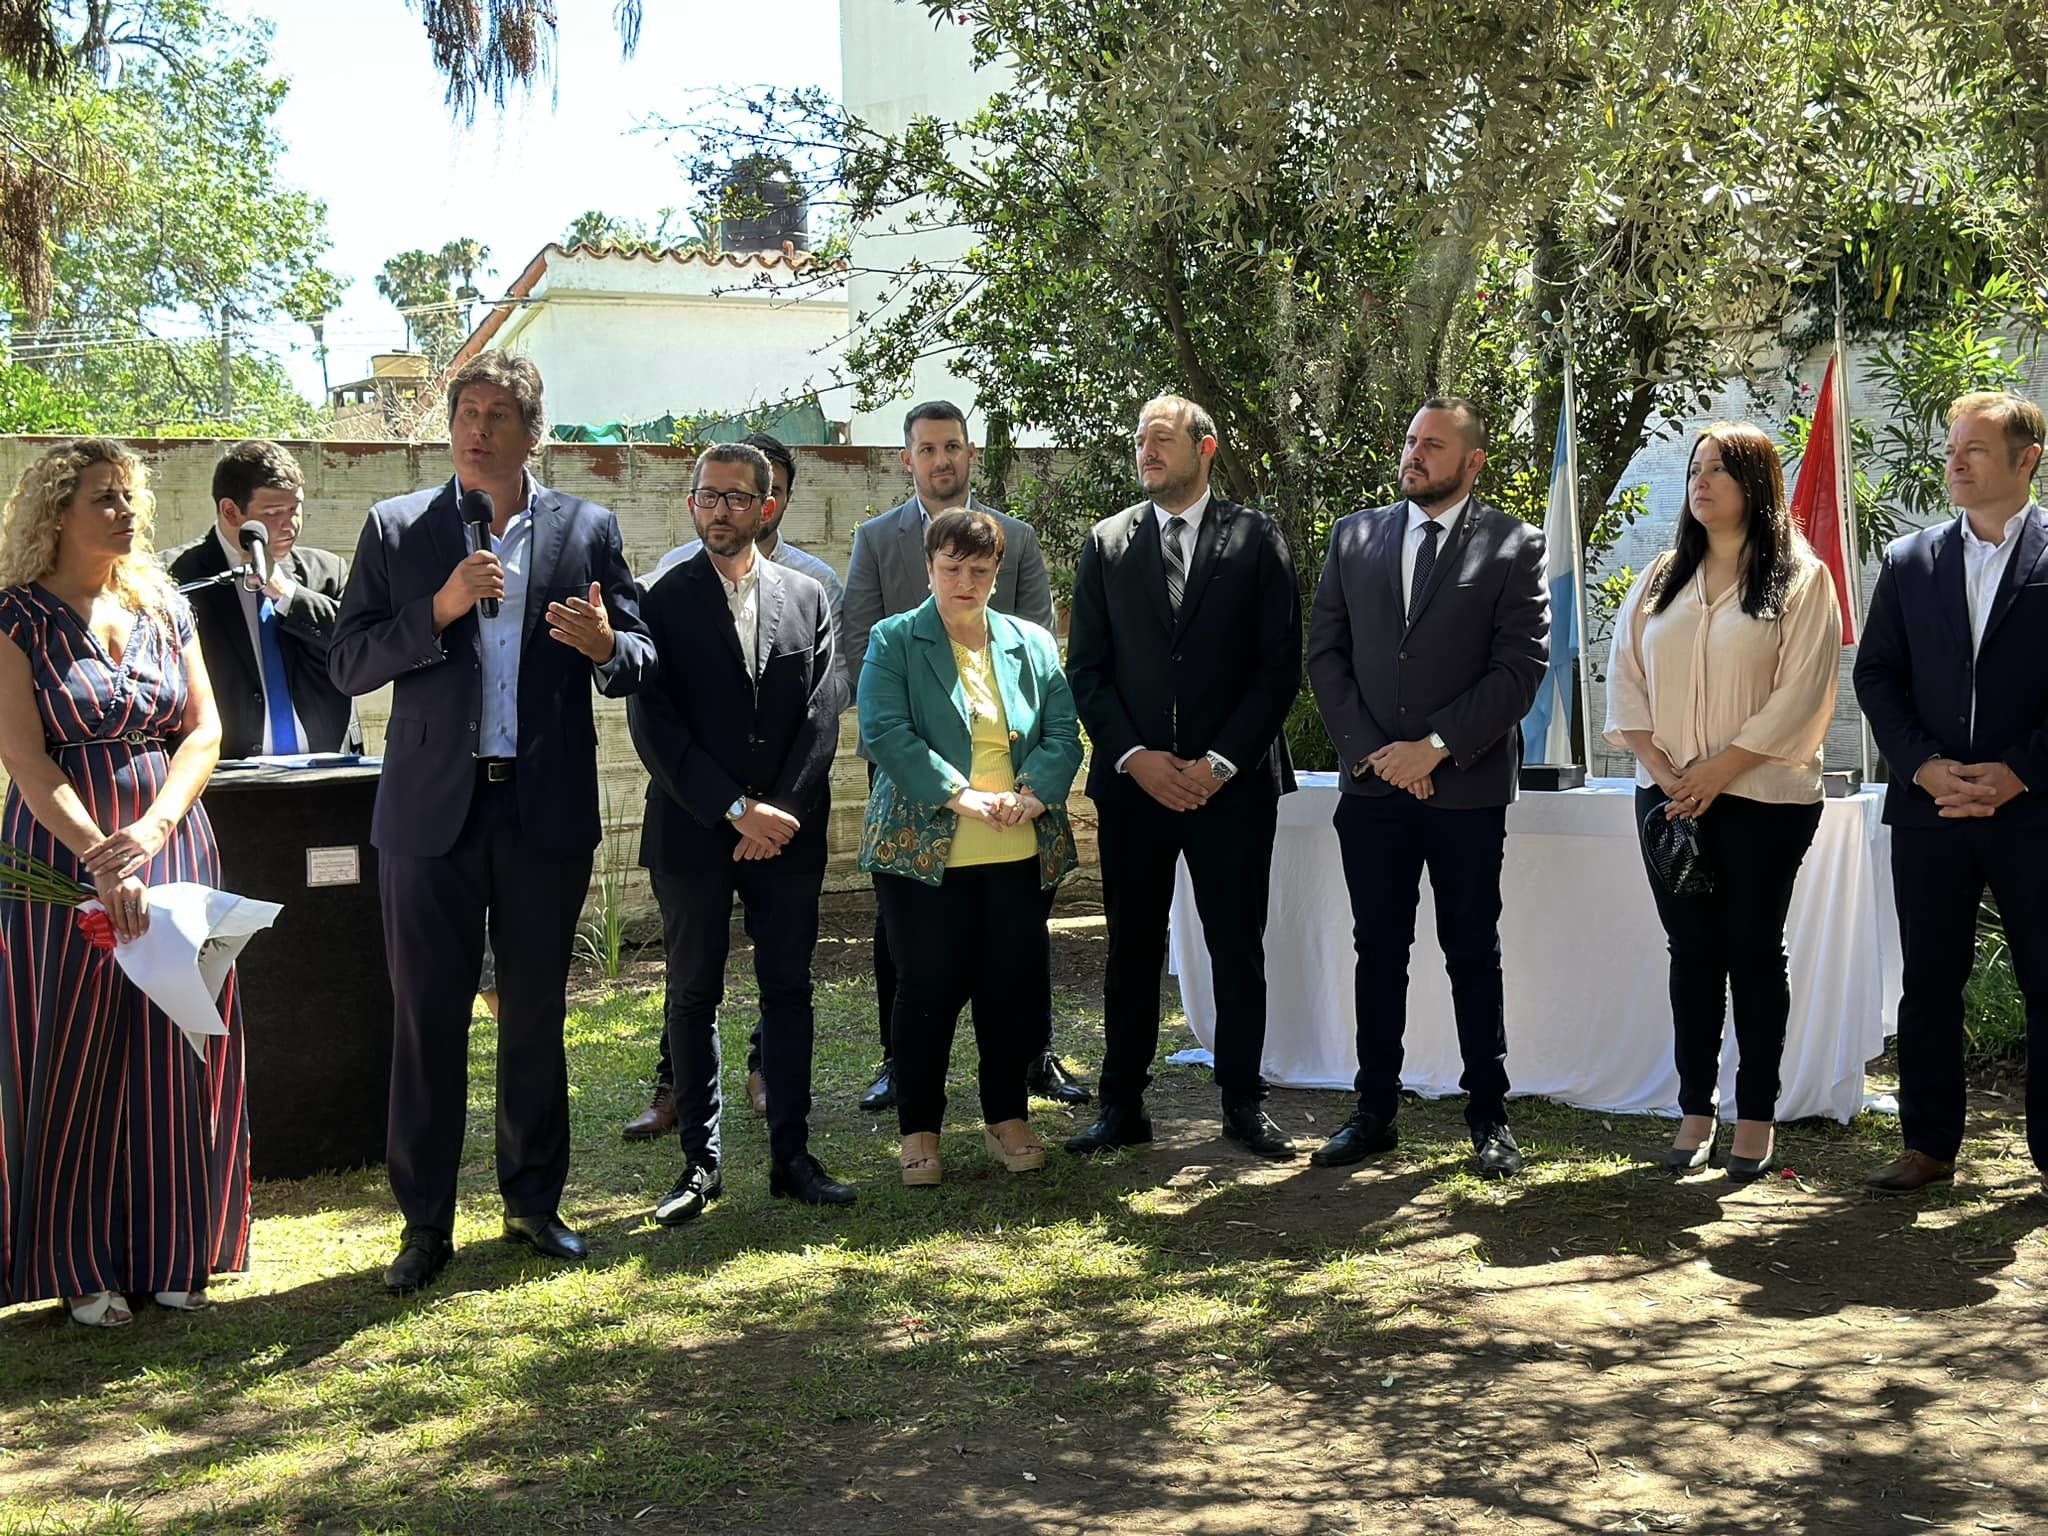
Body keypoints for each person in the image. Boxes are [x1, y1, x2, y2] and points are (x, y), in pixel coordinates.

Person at [330, 353, 654, 1294]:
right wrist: (437, 607)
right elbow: (348, 662)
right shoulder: (399, 529)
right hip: (431, 812)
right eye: (465, 412)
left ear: (532, 431)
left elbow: (639, 652)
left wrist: (606, 649)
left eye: (498, 413)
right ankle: (425, 1223)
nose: (476, 428)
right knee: (427, 1019)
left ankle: (532, 1202)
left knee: (535, 1016)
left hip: (541, 808)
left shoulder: (586, 528)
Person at [0, 439, 249, 1326]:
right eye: (104, 498)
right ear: (56, 513)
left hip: (172, 843)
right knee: (74, 1049)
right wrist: (102, 851)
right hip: (56, 863)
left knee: (179, 1042)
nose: (126, 513)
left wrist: (149, 832)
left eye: (130, 498)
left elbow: (204, 731)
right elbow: (26, 760)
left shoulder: (166, 606)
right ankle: (81, 1261)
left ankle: (178, 1248)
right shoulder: (17, 619)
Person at [1304, 397, 1546, 1179]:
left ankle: (1489, 1120)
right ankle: (1374, 1112)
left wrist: (1435, 748)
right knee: (1378, 952)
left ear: (1472, 462)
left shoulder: (1514, 544)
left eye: (1434, 446)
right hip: (1374, 794)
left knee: (1472, 952)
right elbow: (1327, 657)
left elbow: (1520, 670)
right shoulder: (1354, 536)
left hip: (1466, 794)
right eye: (1411, 440)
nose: (1415, 455)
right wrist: (1378, 754)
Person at [1064, 395, 1301, 1160]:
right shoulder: (1106, 544)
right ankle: (1121, 1105)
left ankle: (1243, 1102)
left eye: (1161, 439)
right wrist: (1138, 759)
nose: (1146, 451)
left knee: (1237, 945)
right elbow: (1089, 672)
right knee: (1130, 949)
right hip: (1136, 789)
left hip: (1231, 789)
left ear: (1206, 447)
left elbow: (1277, 669)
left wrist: (1218, 764)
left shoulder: (1256, 538)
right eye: (1139, 440)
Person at [1605, 423, 1840, 1179]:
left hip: (1763, 799)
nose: (1700, 483)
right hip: (1667, 798)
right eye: (1695, 471)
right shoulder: (1660, 579)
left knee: (1752, 951)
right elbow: (1625, 677)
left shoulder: (1802, 580)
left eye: (1718, 471)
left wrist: (1718, 771)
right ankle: (1695, 1109)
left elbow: (1801, 694)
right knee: (1693, 954)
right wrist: (1660, 765)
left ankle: (1757, 1117)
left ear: (1756, 483)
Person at [627, 443, 853, 1223]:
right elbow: (654, 726)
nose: (719, 509)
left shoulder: (809, 594)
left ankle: (792, 1155)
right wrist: (733, 810)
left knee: (788, 991)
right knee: (692, 994)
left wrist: (779, 809)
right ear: (692, 505)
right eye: (706, 496)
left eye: (735, 497)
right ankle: (700, 1163)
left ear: (766, 507)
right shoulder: (659, 599)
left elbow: (824, 714)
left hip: (788, 836)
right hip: (695, 832)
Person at [842, 400, 1082, 1114]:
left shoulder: (1015, 537)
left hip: (1013, 786)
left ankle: (1029, 1059)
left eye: (953, 447)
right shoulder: (875, 538)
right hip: (914, 775)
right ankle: (900, 1064)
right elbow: (860, 639)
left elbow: (1037, 650)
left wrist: (1029, 785)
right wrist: (929, 750)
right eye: (927, 448)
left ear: (970, 454)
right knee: (917, 945)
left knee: (1013, 947)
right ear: (906, 458)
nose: (941, 459)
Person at [1855, 390, 2048, 1196]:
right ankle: (1928, 1145)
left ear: (2026, 460)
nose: (1954, 461)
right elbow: (1876, 676)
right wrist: (1924, 767)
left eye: (1973, 448)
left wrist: (2020, 772)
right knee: (1930, 979)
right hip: (1931, 807)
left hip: (2035, 808)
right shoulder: (1909, 561)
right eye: (1951, 447)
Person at [164, 439, 361, 758]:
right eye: (272, 513)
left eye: (295, 509)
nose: (290, 526)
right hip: (227, 778)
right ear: (230, 511)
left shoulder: (326, 571)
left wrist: (288, 595)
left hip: (326, 775)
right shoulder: (175, 578)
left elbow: (358, 647)